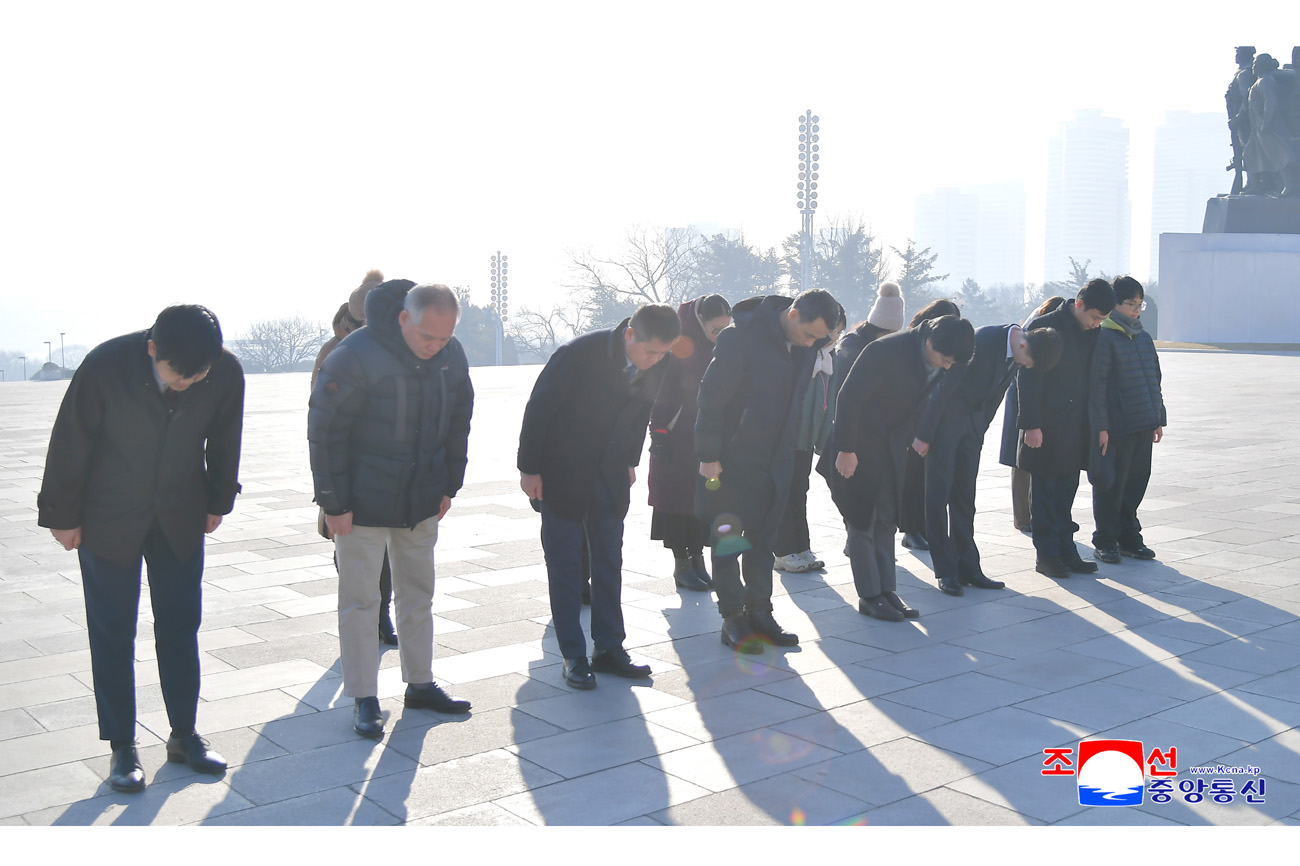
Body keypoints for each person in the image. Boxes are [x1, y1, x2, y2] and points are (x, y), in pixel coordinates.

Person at [37, 305, 244, 793]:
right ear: (153, 348)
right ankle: (122, 746)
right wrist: (63, 517)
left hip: (179, 514)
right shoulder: (106, 365)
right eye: (179, 375)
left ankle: (184, 734)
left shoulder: (225, 371)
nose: (188, 384)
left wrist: (217, 500)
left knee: (180, 624)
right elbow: (70, 440)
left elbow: (226, 437)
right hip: (108, 517)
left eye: (199, 376)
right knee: (112, 631)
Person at [309, 281, 474, 738]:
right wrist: (333, 503)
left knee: (418, 593)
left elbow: (460, 418)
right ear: (405, 318)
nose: (436, 347)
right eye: (428, 337)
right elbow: (324, 432)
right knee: (362, 600)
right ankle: (363, 696)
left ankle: (420, 684)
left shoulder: (451, 355)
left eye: (445, 337)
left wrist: (449, 485)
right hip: (359, 503)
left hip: (421, 496)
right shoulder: (354, 355)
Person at [518, 304, 680, 688]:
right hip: (563, 470)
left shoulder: (658, 361)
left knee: (609, 560)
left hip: (609, 472)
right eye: (648, 352)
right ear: (629, 335)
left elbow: (641, 411)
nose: (653, 361)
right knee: (566, 564)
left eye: (661, 354)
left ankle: (609, 647)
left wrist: (628, 459)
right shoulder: (579, 354)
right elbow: (539, 409)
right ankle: (573, 654)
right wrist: (530, 469)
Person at [696, 289, 840, 652]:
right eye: (810, 334)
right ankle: (733, 618)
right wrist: (709, 455)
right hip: (732, 459)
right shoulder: (739, 338)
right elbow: (711, 398)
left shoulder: (806, 347)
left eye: (819, 339)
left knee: (763, 541)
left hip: (777, 458)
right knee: (729, 542)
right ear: (793, 316)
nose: (812, 343)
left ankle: (761, 612)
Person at [820, 315, 974, 622]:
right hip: (859, 447)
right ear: (929, 342)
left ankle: (887, 591)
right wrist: (846, 450)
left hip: (891, 449)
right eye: (943, 359)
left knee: (887, 520)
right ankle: (869, 595)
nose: (946, 367)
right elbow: (848, 398)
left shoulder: (936, 357)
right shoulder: (884, 351)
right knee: (862, 521)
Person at [916, 321, 1063, 596]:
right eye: (1028, 363)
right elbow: (945, 386)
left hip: (972, 429)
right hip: (945, 426)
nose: (1026, 368)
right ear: (1022, 345)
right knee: (937, 497)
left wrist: (980, 426)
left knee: (964, 498)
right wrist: (924, 435)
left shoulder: (1020, 350)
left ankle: (968, 567)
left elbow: (994, 396)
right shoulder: (983, 340)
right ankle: (945, 571)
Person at [311, 270, 397, 645]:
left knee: (390, 551)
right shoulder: (336, 351)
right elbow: (322, 421)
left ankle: (381, 613)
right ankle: (361, 614)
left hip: (389, 471)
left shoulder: (397, 345)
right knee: (347, 547)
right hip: (348, 471)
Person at [1016, 279, 1116, 579]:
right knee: (1045, 492)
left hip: (1078, 425)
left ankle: (1066, 549)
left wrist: (1101, 425)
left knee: (1066, 490)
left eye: (1102, 320)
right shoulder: (1046, 326)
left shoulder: (1093, 333)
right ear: (1080, 304)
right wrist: (1031, 425)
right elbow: (1028, 377)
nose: (1097, 324)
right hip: (1046, 426)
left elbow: (1098, 380)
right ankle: (1047, 555)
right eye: (1095, 317)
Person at [648, 294, 732, 591]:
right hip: (675, 434)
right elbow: (660, 391)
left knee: (700, 500)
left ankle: (697, 560)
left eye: (725, 328)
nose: (720, 335)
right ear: (700, 321)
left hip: (704, 436)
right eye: (715, 329)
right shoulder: (678, 343)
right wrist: (658, 433)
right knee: (675, 501)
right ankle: (681, 564)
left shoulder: (721, 347)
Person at [1090, 276, 1166, 564]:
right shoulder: (1105, 336)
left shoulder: (1143, 337)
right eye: (1130, 304)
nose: (1136, 310)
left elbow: (1154, 379)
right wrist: (1102, 426)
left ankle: (1129, 537)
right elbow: (1098, 385)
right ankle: (1106, 540)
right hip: (1117, 427)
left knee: (1136, 482)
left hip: (1143, 423)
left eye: (1139, 304)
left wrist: (1158, 417)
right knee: (1111, 484)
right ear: (1115, 304)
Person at [773, 303, 845, 573]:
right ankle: (781, 550)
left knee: (799, 491)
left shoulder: (829, 358)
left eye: (838, 332)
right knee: (783, 492)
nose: (834, 338)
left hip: (806, 437)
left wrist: (823, 440)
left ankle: (801, 545)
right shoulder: (800, 354)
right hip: (787, 436)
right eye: (831, 333)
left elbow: (829, 403)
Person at [897, 299, 964, 553]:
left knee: (927, 479)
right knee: (912, 478)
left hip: (934, 419)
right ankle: (910, 529)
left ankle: (921, 527)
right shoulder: (913, 345)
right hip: (913, 420)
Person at [1000, 296, 1066, 531]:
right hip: (1023, 403)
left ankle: (1030, 514)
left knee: (1026, 461)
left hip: (1035, 404)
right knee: (1021, 460)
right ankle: (1023, 517)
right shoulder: (1036, 334)